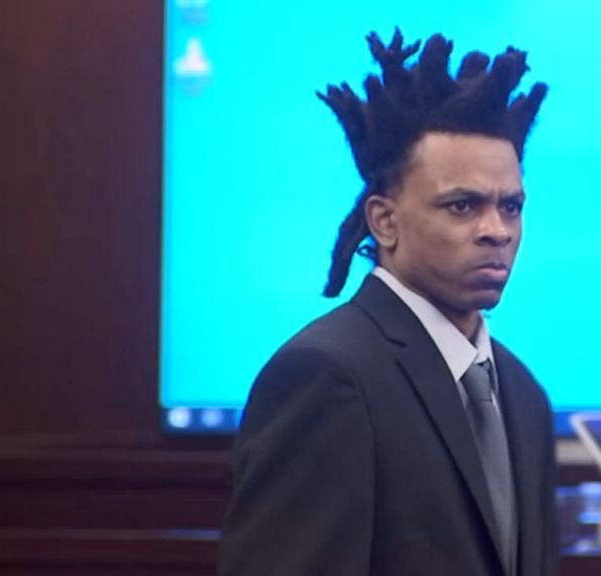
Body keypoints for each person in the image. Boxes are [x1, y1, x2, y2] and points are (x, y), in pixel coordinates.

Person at [218, 29, 558, 576]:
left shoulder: (522, 394)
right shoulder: (327, 377)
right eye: (463, 206)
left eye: (511, 207)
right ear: (384, 221)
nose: (496, 230)